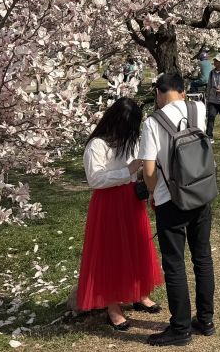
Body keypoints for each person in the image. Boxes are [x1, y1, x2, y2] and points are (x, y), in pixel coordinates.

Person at [140, 72, 216, 347]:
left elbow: (149, 169)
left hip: (170, 200)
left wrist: (151, 190)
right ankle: (205, 320)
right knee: (202, 258)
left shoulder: (152, 123)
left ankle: (181, 328)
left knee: (174, 264)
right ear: (182, 91)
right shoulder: (198, 108)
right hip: (201, 193)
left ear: (158, 93)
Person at [77, 97, 163, 331]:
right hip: (108, 203)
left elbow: (138, 168)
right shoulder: (97, 144)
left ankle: (140, 293)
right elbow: (95, 180)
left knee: (137, 246)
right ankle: (113, 306)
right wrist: (128, 170)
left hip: (130, 199)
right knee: (111, 252)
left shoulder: (130, 140)